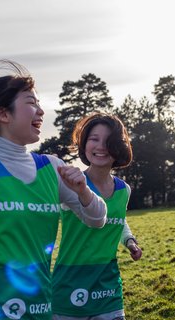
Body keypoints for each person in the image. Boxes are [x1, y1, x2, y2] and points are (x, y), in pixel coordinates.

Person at [0, 60, 107, 320]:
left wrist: (83, 191)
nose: (41, 112)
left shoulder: (53, 168)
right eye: (31, 103)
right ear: (4, 114)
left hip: (39, 305)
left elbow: (97, 220)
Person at [52, 113, 142, 320]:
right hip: (69, 283)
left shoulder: (123, 190)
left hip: (107, 284)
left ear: (119, 147)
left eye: (108, 141)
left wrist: (130, 241)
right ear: (84, 145)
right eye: (94, 139)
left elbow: (118, 219)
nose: (101, 146)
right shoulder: (70, 184)